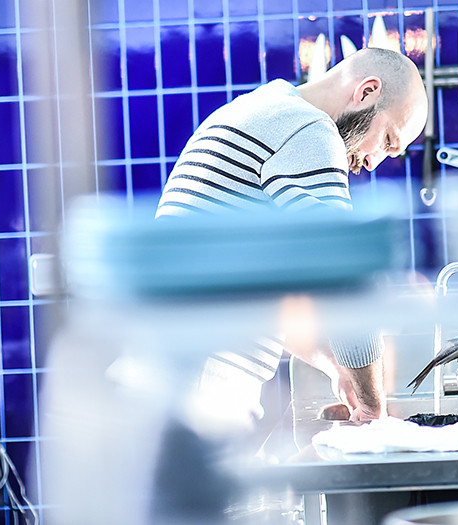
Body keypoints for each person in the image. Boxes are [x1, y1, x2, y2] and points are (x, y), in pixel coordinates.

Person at [154, 48, 429, 426]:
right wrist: (372, 405)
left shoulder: (260, 109)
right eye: (386, 140)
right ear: (366, 91)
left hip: (170, 375)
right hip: (200, 390)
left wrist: (335, 364)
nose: (373, 161)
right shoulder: (308, 130)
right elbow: (345, 276)